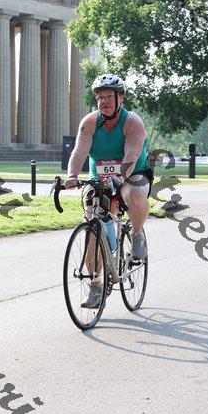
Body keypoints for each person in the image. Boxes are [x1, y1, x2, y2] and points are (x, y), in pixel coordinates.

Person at [64, 74, 154, 308]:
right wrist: (72, 176)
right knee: (92, 227)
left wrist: (120, 178)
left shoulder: (132, 122)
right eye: (100, 97)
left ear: (120, 98)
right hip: (100, 179)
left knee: (134, 194)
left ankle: (136, 234)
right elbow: (79, 152)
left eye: (108, 97)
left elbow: (132, 154)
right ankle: (97, 284)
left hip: (132, 173)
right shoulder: (90, 122)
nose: (103, 101)